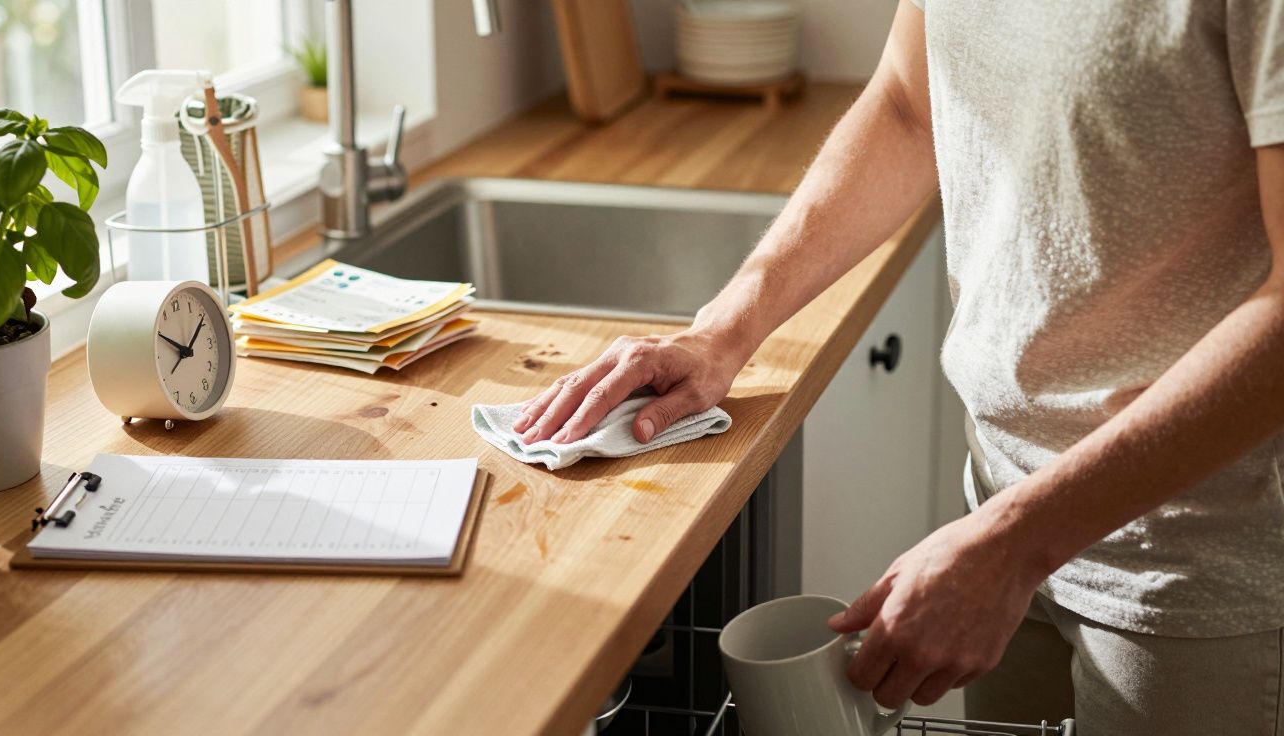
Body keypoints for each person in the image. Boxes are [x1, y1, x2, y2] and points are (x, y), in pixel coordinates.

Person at [515, 0, 1284, 731]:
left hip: (1194, 562)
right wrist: (722, 330)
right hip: (1001, 500)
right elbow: (909, 106)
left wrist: (1017, 542)